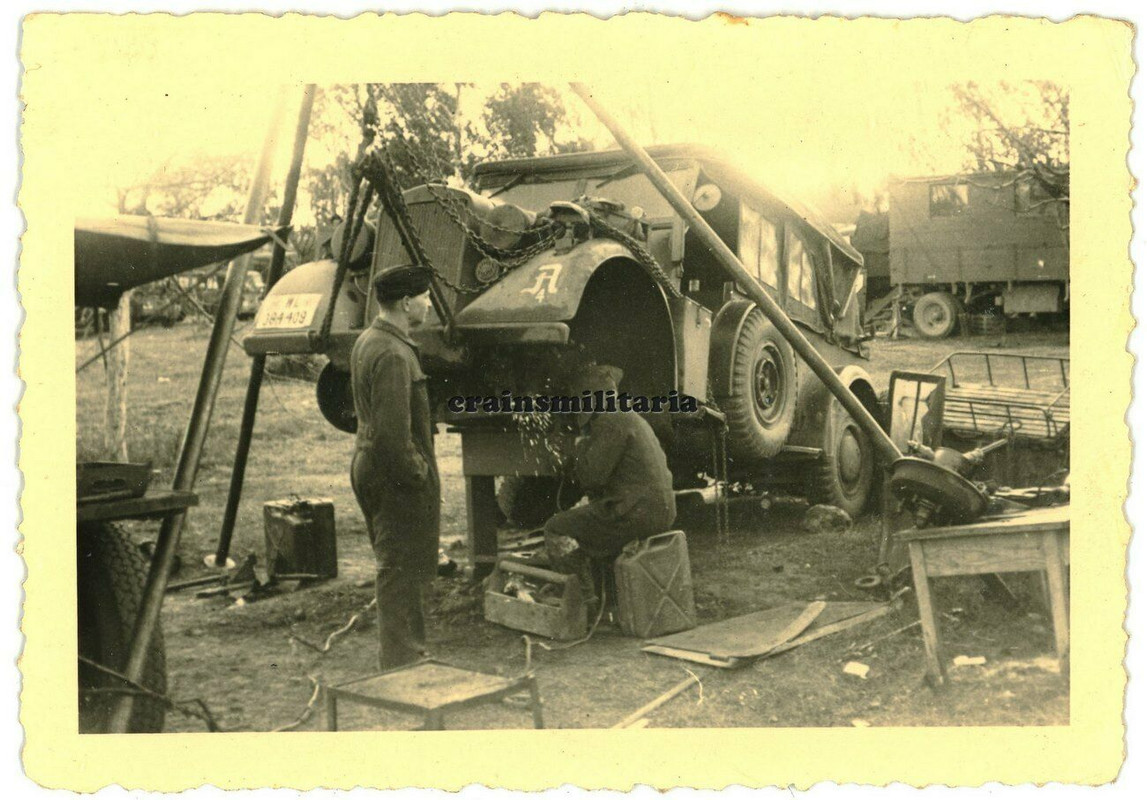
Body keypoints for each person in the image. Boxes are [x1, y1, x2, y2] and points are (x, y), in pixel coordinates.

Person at [350, 264, 440, 671]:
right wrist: (417, 471)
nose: (429, 303)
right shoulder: (393, 353)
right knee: (399, 565)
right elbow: (392, 435)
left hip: (369, 463)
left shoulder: (370, 340)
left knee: (397, 561)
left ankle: (407, 654)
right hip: (392, 471)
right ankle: (402, 662)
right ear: (406, 303)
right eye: (424, 296)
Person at [543, 365, 677, 607]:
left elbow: (592, 477)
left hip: (635, 513)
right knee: (592, 525)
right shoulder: (629, 416)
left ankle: (583, 602)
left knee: (556, 527)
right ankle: (609, 601)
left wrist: (578, 447)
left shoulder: (609, 421)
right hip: (657, 510)